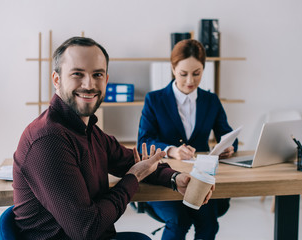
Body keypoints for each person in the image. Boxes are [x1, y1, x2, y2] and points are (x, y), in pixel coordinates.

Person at [13, 37, 213, 240]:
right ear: (56, 80)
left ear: (106, 80)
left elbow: (134, 161)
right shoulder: (47, 140)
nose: (89, 84)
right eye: (77, 74)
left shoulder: (89, 130)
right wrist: (132, 178)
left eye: (97, 74)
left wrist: (174, 178)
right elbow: (87, 229)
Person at [137, 39, 238, 240]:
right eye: (183, 74)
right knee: (178, 220)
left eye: (197, 73)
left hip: (199, 179)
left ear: (203, 70)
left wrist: (229, 147)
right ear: (173, 69)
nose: (190, 80)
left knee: (209, 224)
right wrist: (171, 150)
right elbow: (144, 141)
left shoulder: (211, 100)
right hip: (165, 178)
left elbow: (227, 134)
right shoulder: (154, 99)